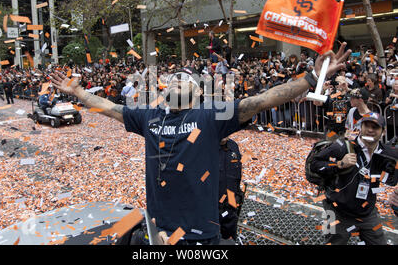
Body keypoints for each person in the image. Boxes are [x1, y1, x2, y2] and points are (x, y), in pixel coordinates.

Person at [50, 44, 350, 245]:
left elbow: (263, 99)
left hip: (201, 233)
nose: (173, 82)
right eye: (171, 79)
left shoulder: (210, 116)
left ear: (195, 93)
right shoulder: (149, 117)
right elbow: (109, 108)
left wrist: (313, 77)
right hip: (159, 231)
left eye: (182, 80)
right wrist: (78, 92)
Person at [310, 112, 398, 245]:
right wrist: (339, 164)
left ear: (383, 132)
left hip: (366, 212)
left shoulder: (388, 153)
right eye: (366, 125)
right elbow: (315, 165)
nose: (370, 130)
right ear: (360, 127)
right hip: (337, 209)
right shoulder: (342, 146)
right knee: (334, 241)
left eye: (375, 127)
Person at [218, 137, 242, 241]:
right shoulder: (204, 147)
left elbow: (237, 174)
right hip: (210, 209)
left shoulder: (233, 146)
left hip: (230, 207)